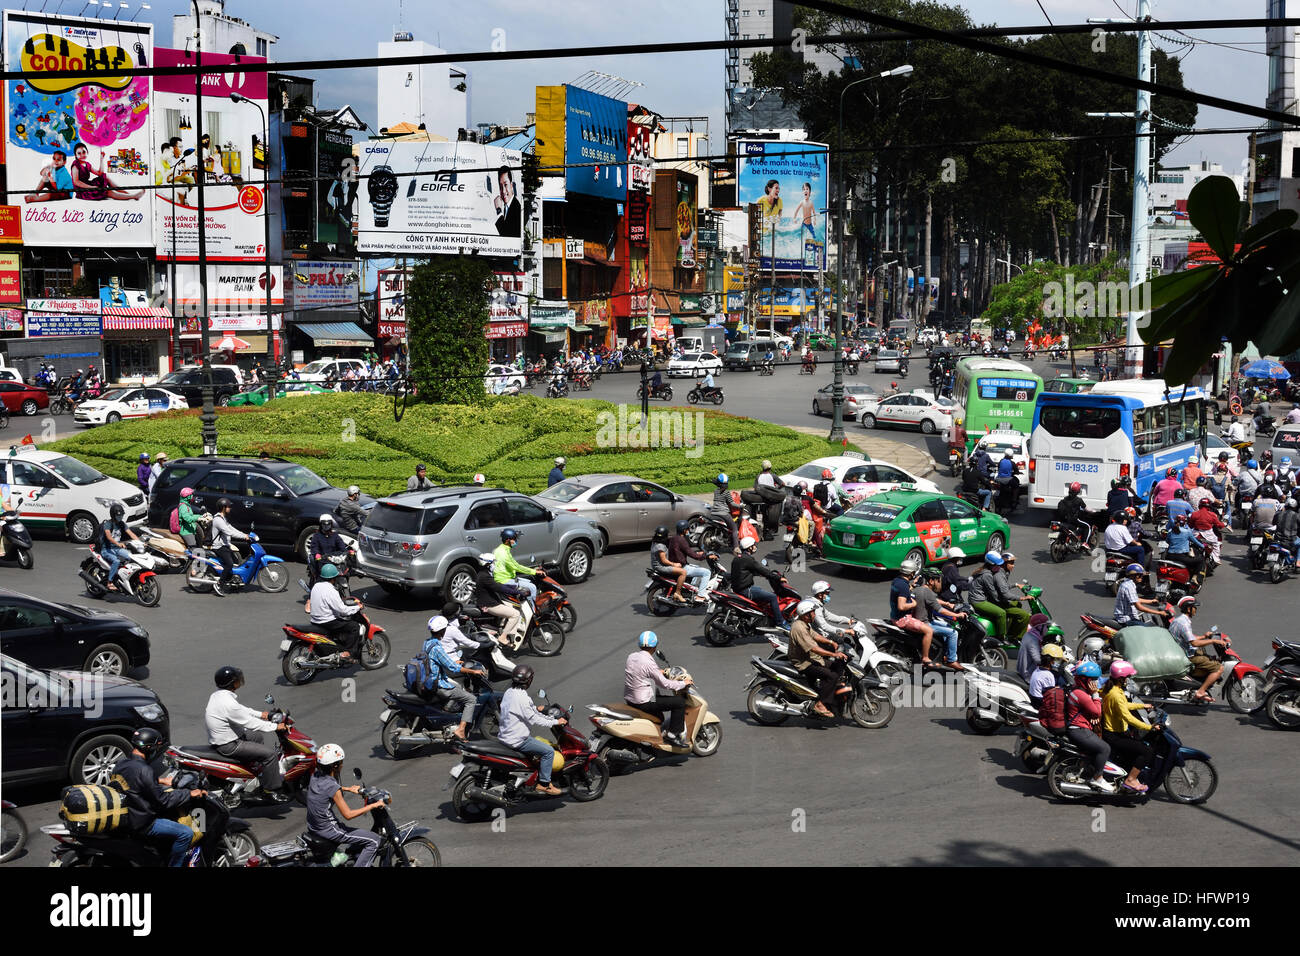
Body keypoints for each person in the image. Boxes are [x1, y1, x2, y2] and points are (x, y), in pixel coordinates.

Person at [110, 729, 207, 867]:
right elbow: (164, 801)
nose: (157, 750)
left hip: (126, 813)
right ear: (149, 748)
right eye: (156, 746)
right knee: (185, 833)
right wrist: (189, 794)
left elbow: (134, 780)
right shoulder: (144, 770)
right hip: (142, 822)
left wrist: (159, 780)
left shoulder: (122, 763)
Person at [205, 666, 287, 797]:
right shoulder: (227, 703)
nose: (239, 681)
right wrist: (275, 727)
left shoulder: (218, 695)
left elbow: (241, 709)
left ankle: (249, 773)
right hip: (229, 745)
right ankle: (271, 789)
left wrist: (262, 714)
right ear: (231, 683)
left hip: (226, 738)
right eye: (237, 679)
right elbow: (250, 723)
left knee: (257, 737)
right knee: (270, 755)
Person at [306, 744, 384, 867]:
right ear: (335, 766)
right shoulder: (333, 787)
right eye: (341, 762)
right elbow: (348, 814)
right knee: (374, 840)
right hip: (329, 829)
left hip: (314, 826)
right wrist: (374, 805)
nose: (342, 765)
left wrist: (347, 788)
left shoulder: (315, 776)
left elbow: (325, 789)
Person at [498, 664, 565, 796]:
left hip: (505, 736)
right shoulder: (522, 697)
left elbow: (527, 711)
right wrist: (556, 721)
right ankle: (544, 784)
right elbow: (535, 719)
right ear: (529, 680)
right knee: (548, 751)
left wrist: (536, 709)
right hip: (517, 739)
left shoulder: (509, 692)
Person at [421, 617, 485, 740]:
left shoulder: (427, 642)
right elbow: (452, 667)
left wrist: (455, 662)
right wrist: (473, 671)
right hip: (438, 684)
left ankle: (447, 711)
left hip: (429, 680)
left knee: (456, 686)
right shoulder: (437, 648)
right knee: (471, 699)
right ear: (442, 632)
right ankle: (461, 730)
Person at [624, 631, 692, 746]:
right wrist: (683, 683)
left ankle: (657, 729)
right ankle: (673, 734)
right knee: (679, 702)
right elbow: (665, 684)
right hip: (643, 702)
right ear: (655, 646)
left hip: (630, 699)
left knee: (657, 693)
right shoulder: (648, 662)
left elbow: (642, 672)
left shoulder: (632, 657)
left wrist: (659, 672)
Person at [788, 599, 850, 719]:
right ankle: (820, 704)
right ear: (806, 615)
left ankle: (828, 692)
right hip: (803, 663)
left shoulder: (804, 624)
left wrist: (831, 642)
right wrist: (834, 655)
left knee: (837, 667)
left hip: (810, 658)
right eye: (812, 612)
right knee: (831, 676)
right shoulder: (799, 628)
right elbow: (814, 649)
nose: (814, 614)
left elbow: (815, 635)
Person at [1100, 660, 1155, 793]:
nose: (1128, 680)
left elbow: (1124, 706)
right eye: (1127, 677)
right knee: (1146, 751)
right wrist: (1149, 727)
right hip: (1114, 735)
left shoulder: (1114, 689)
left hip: (1117, 732)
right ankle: (1130, 780)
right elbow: (1127, 717)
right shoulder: (1115, 694)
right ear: (1121, 678)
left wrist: (1142, 705)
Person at [1166, 596, 1229, 703]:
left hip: (1182, 651)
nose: (1196, 610)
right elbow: (1194, 642)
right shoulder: (1184, 624)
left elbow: (1190, 638)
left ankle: (1202, 680)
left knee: (1205, 652)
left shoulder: (1179, 620)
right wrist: (1214, 641)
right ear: (1189, 609)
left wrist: (1204, 636)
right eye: (1195, 607)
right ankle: (1201, 691)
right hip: (1188, 656)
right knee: (1219, 668)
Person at [1065, 661, 1116, 792]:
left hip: (1080, 727)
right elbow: (1097, 711)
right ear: (1084, 679)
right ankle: (1098, 778)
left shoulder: (1077, 689)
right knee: (1105, 748)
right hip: (1079, 730)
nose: (1095, 681)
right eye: (1093, 679)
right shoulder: (1082, 694)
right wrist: (1095, 694)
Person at [731, 535, 790, 630]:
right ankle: (780, 622)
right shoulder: (748, 559)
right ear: (749, 547)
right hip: (746, 590)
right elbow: (762, 570)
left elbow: (743, 571)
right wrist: (778, 578)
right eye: (754, 545)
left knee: (759, 590)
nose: (755, 546)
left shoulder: (738, 558)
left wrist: (758, 574)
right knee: (772, 597)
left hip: (738, 588)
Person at [308, 564, 364, 658]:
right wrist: (358, 607)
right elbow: (343, 610)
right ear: (333, 578)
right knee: (354, 627)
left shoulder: (316, 586)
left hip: (315, 620)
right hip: (327, 622)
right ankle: (348, 653)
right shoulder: (331, 590)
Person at [915, 567, 965, 669]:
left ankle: (945, 653)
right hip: (925, 623)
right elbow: (940, 610)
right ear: (931, 581)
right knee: (953, 633)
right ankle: (951, 660)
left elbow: (934, 600)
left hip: (922, 620)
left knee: (949, 625)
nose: (939, 583)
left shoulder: (919, 589)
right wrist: (957, 615)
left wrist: (947, 603)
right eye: (938, 580)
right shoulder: (928, 592)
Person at [888, 566, 936, 664]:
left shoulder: (897, 581)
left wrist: (912, 586)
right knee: (929, 631)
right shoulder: (903, 586)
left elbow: (903, 592)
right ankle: (925, 657)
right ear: (911, 573)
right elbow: (901, 606)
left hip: (894, 616)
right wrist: (914, 604)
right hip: (903, 619)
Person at [473, 552, 523, 645]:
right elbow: (499, 588)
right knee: (515, 614)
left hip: (490, 601)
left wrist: (512, 587)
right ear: (487, 564)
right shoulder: (485, 576)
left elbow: (496, 584)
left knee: (513, 606)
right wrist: (517, 592)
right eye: (493, 563)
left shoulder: (484, 574)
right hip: (489, 604)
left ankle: (505, 629)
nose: (494, 565)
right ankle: (503, 637)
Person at [97, 502, 140, 592]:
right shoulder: (108, 524)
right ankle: (110, 582)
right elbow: (108, 536)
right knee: (116, 561)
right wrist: (118, 544)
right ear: (113, 515)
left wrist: (140, 543)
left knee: (131, 557)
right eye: (118, 515)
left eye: (121, 515)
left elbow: (131, 534)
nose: (120, 517)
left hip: (117, 549)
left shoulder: (122, 524)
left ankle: (125, 577)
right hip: (107, 549)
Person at [210, 498, 250, 595]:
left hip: (225, 546)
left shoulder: (223, 518)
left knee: (236, 562)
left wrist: (244, 534)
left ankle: (231, 583)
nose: (230, 508)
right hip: (219, 547)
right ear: (223, 508)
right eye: (228, 506)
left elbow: (231, 528)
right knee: (229, 564)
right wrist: (243, 537)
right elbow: (229, 532)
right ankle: (219, 583)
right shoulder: (218, 520)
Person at [493, 527, 542, 604]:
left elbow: (515, 564)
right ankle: (532, 612)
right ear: (507, 540)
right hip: (504, 580)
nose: (515, 541)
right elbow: (516, 567)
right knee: (532, 588)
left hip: (506, 578)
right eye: (514, 539)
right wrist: (534, 571)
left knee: (530, 582)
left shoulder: (501, 549)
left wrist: (533, 570)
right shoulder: (503, 553)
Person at [668, 520, 713, 600]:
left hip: (674, 564)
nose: (688, 531)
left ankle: (689, 589)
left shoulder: (673, 538)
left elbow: (684, 550)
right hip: (682, 567)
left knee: (696, 567)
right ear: (684, 530)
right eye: (687, 529)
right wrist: (705, 556)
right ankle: (700, 595)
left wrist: (698, 553)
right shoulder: (682, 540)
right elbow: (692, 555)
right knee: (706, 572)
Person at [649, 525, 689, 603]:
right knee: (683, 572)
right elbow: (664, 561)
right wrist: (674, 564)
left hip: (657, 565)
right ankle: (678, 593)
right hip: (661, 567)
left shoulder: (655, 542)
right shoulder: (660, 546)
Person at [710, 472, 740, 553]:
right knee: (734, 529)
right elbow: (732, 504)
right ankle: (736, 547)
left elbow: (716, 483)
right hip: (724, 514)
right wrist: (740, 506)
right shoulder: (727, 493)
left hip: (713, 513)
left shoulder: (715, 491)